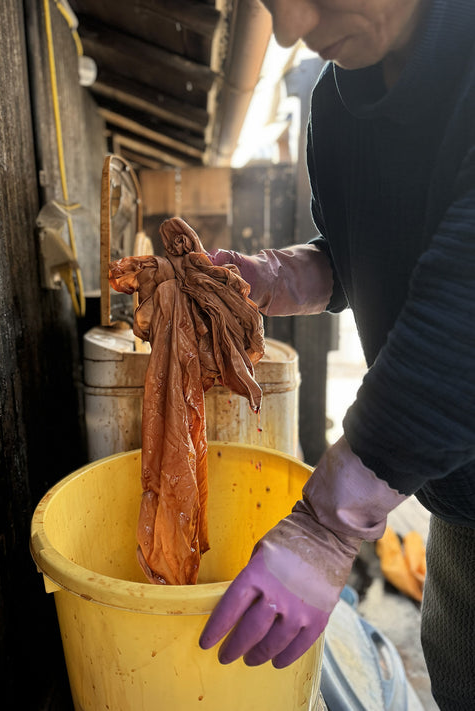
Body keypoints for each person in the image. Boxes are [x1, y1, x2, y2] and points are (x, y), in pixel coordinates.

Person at [198, 1, 475, 709]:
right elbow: (365, 255)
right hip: (456, 496)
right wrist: (281, 277)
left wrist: (326, 525)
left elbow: (463, 313)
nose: (292, 27)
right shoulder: (337, 102)